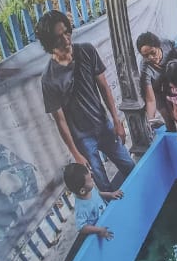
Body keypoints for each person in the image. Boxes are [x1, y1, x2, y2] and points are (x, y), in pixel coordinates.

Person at [36, 10, 135, 193]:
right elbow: (60, 121)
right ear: (49, 43)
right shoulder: (49, 78)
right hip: (83, 139)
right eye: (59, 37)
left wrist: (116, 120)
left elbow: (104, 88)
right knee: (103, 185)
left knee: (130, 167)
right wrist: (76, 154)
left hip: (104, 125)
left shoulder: (86, 51)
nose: (66, 39)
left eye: (67, 32)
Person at [136, 31, 177, 131]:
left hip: (170, 81)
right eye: (146, 56)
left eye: (153, 52)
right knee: (167, 116)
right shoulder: (145, 68)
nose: (151, 58)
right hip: (157, 89)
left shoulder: (166, 44)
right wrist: (151, 120)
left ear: (158, 46)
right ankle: (172, 132)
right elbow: (150, 99)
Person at [64, 161, 123, 241]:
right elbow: (81, 227)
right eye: (90, 180)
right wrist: (98, 230)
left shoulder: (89, 190)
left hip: (106, 216)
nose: (92, 177)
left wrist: (110, 194)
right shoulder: (81, 207)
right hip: (99, 228)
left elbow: (97, 194)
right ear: (82, 190)